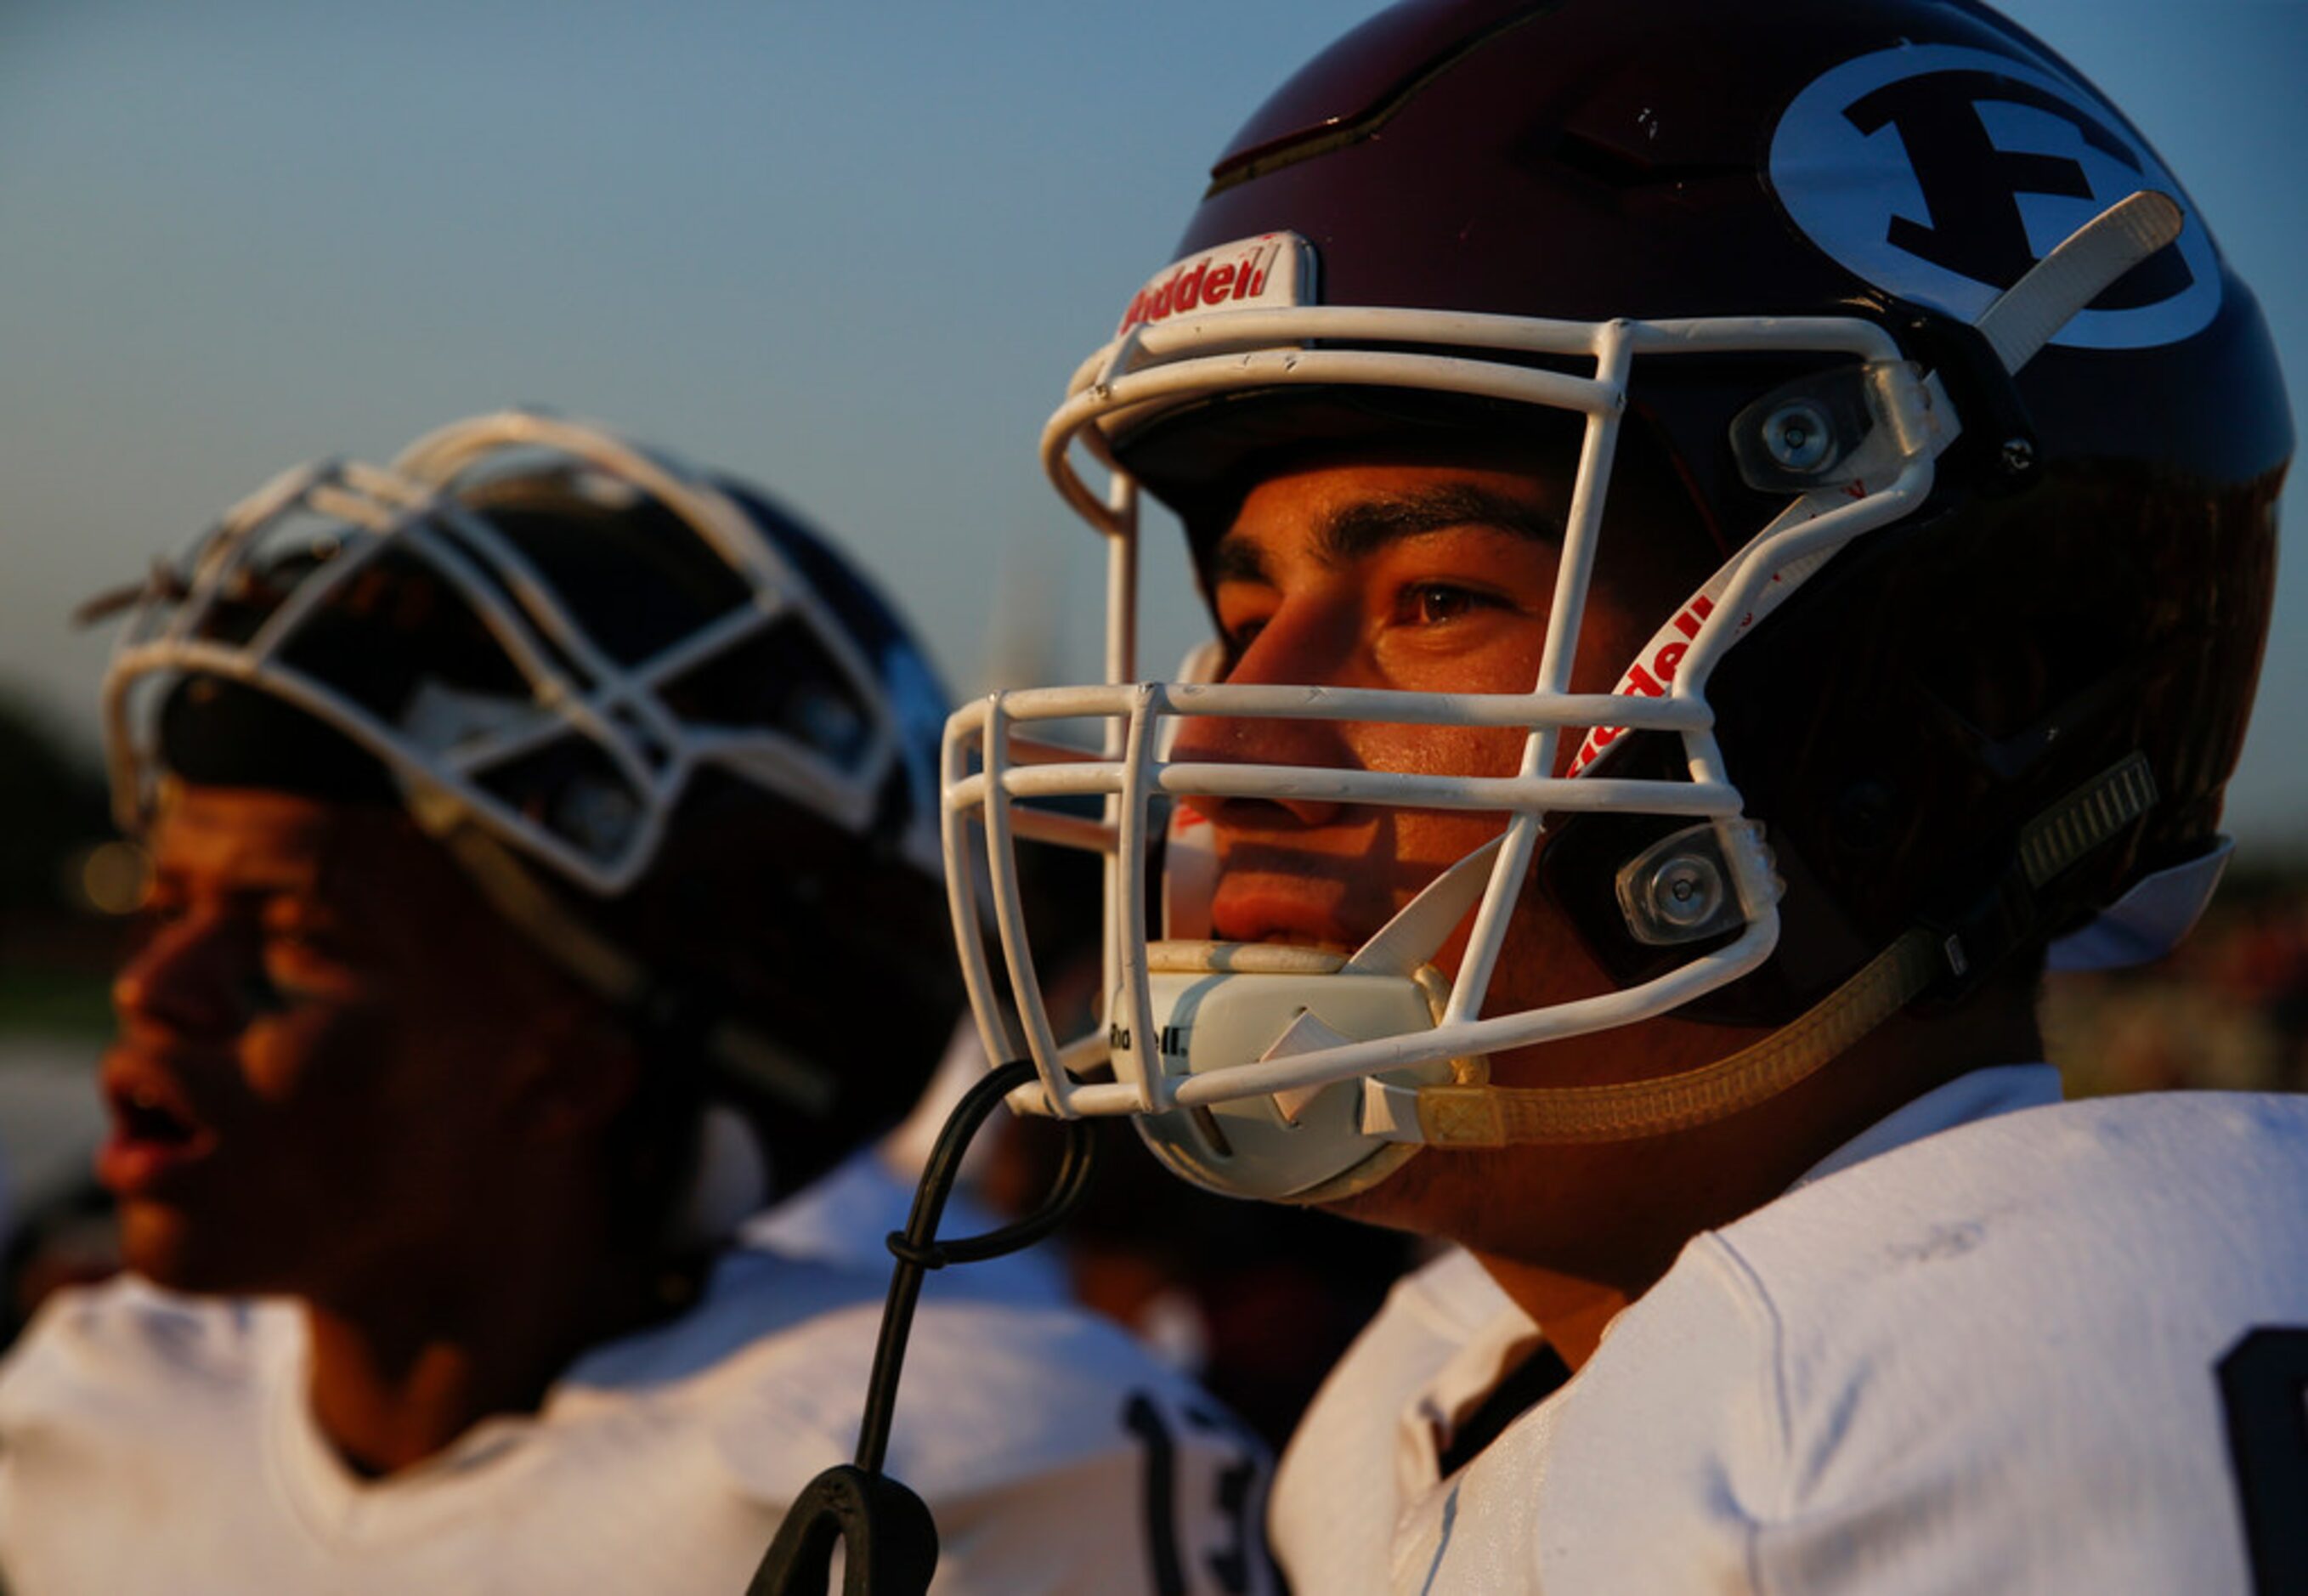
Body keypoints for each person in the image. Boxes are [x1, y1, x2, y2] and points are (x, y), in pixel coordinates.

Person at [939, 2, 2305, 1589]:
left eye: (1436, 601)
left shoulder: (2031, 1367)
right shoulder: (1419, 1400)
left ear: (1948, 704)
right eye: (1246, 617)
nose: (1243, 744)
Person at [0, 411, 1273, 1593]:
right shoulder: (83, 1410)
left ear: (574, 1057)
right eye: (169, 908)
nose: (154, 989)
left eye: (294, 934)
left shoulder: (965, 1461)